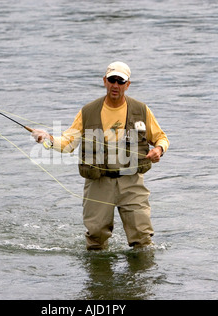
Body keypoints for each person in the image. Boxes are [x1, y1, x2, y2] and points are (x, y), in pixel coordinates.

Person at [31, 61, 169, 250]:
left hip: (132, 181)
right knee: (96, 240)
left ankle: (141, 278)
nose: (115, 85)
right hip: (98, 183)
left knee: (143, 240)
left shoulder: (141, 110)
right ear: (105, 81)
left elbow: (161, 137)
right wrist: (47, 138)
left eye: (120, 81)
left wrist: (159, 150)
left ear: (127, 85)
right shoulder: (88, 111)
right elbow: (68, 143)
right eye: (112, 80)